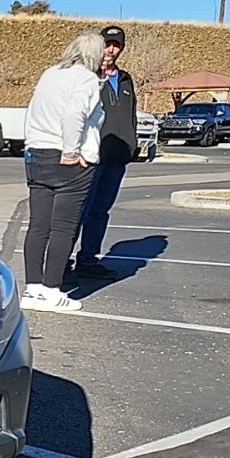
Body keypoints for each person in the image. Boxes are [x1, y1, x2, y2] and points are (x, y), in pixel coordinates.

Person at [21, 32, 105, 311]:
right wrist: (71, 151)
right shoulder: (86, 79)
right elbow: (74, 114)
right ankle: (52, 289)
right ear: (95, 55)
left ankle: (32, 289)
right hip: (67, 159)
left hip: (37, 154)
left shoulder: (50, 73)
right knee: (64, 228)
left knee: (38, 225)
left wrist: (32, 146)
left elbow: (33, 110)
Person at [71, 25, 136, 278]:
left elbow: (129, 114)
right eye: (107, 44)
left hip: (117, 158)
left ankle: (88, 259)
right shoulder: (88, 77)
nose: (111, 50)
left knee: (100, 211)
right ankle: (62, 262)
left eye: (116, 45)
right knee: (80, 210)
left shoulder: (125, 79)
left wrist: (131, 145)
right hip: (91, 157)